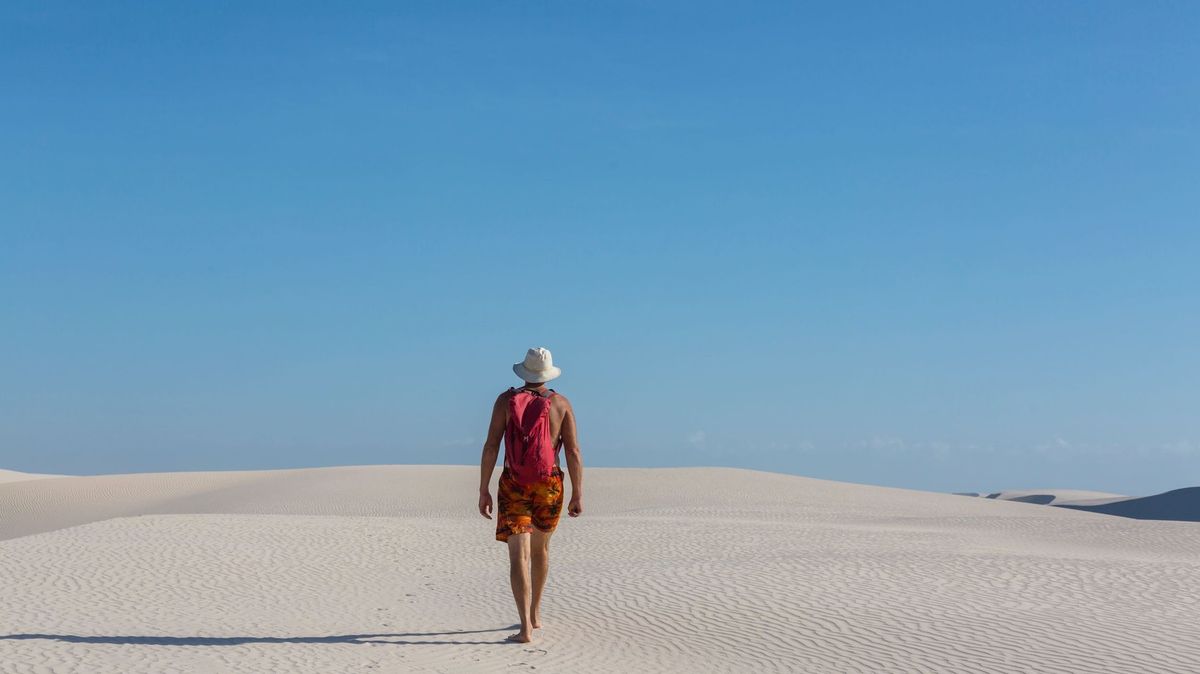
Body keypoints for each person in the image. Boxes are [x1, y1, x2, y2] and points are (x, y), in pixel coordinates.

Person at [478, 346, 584, 644]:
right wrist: (578, 493)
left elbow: (491, 446)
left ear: (524, 372)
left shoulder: (505, 401)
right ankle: (536, 613)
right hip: (548, 485)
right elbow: (573, 451)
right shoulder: (561, 404)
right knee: (540, 551)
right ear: (548, 373)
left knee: (518, 556)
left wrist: (484, 487)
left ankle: (524, 627)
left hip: (513, 483)